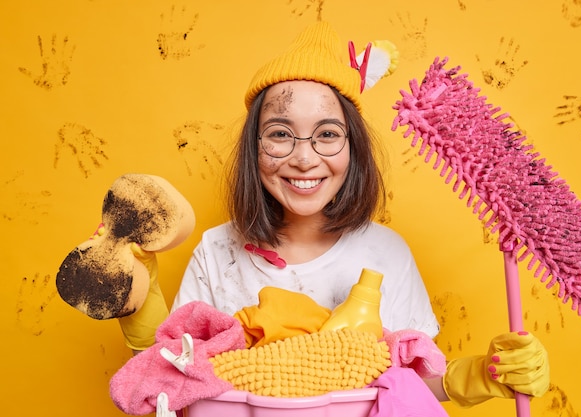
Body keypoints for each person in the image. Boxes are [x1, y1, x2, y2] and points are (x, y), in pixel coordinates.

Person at [120, 21, 549, 409]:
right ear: (254, 148)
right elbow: (172, 379)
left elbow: (408, 386)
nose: (304, 158)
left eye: (327, 134)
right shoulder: (217, 251)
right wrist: (136, 309)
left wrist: (471, 376)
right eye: (280, 134)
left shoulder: (385, 254)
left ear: (354, 148)